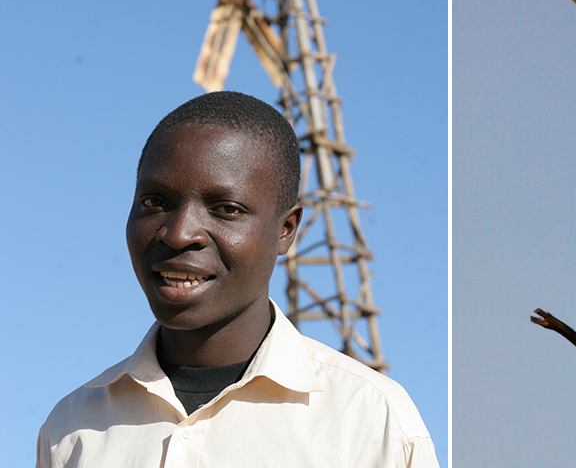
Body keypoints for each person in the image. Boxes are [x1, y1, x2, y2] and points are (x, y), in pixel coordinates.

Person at [37, 91, 438, 467]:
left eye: (226, 209)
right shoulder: (71, 429)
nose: (178, 233)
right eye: (154, 202)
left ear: (286, 230)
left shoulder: (370, 421)